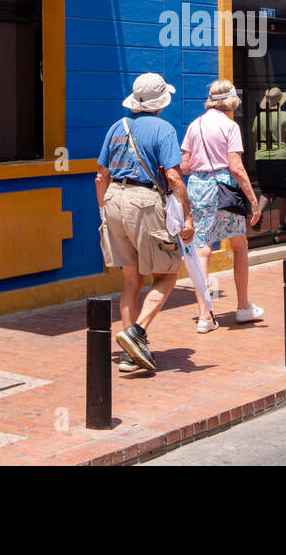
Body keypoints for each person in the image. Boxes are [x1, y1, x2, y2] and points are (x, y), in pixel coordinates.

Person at [96, 73, 195, 373]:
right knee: (167, 274)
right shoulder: (163, 129)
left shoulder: (117, 126)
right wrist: (188, 216)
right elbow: (174, 176)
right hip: (144, 201)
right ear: (160, 103)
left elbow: (101, 176)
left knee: (130, 279)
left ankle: (129, 354)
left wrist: (104, 211)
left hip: (113, 199)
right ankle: (136, 333)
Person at [179, 79, 264, 333]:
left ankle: (205, 316)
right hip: (224, 189)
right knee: (239, 245)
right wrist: (253, 201)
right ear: (230, 103)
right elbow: (236, 167)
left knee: (201, 249)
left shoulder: (195, 126)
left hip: (198, 187)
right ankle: (243, 306)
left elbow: (184, 165)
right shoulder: (230, 126)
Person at [252, 87, 286, 235]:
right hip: (281, 156)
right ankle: (282, 223)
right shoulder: (285, 116)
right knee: (283, 192)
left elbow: (255, 140)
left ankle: (258, 214)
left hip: (262, 156)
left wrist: (259, 155)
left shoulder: (258, 118)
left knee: (266, 190)